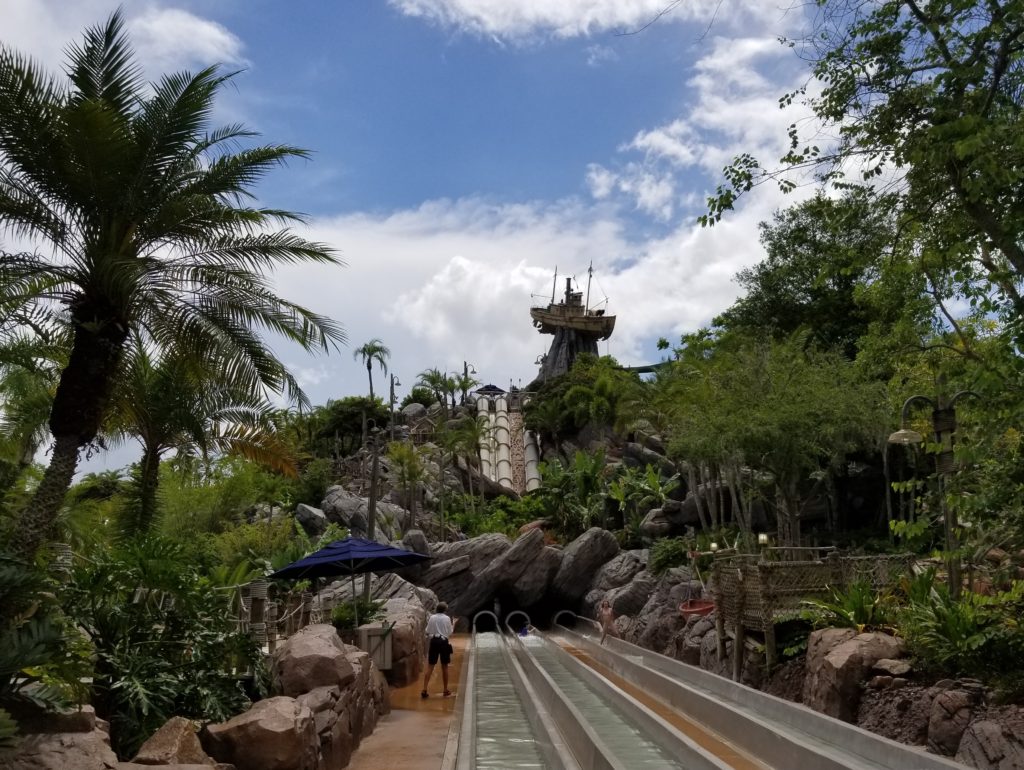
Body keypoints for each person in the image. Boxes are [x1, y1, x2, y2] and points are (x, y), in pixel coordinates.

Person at [422, 601, 454, 698]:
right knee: (445, 667)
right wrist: (454, 623)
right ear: (445, 610)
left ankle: (424, 689)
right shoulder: (447, 618)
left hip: (434, 642)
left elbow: (427, 631)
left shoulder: (432, 617)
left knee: (430, 666)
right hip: (443, 642)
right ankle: (445, 690)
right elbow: (450, 632)